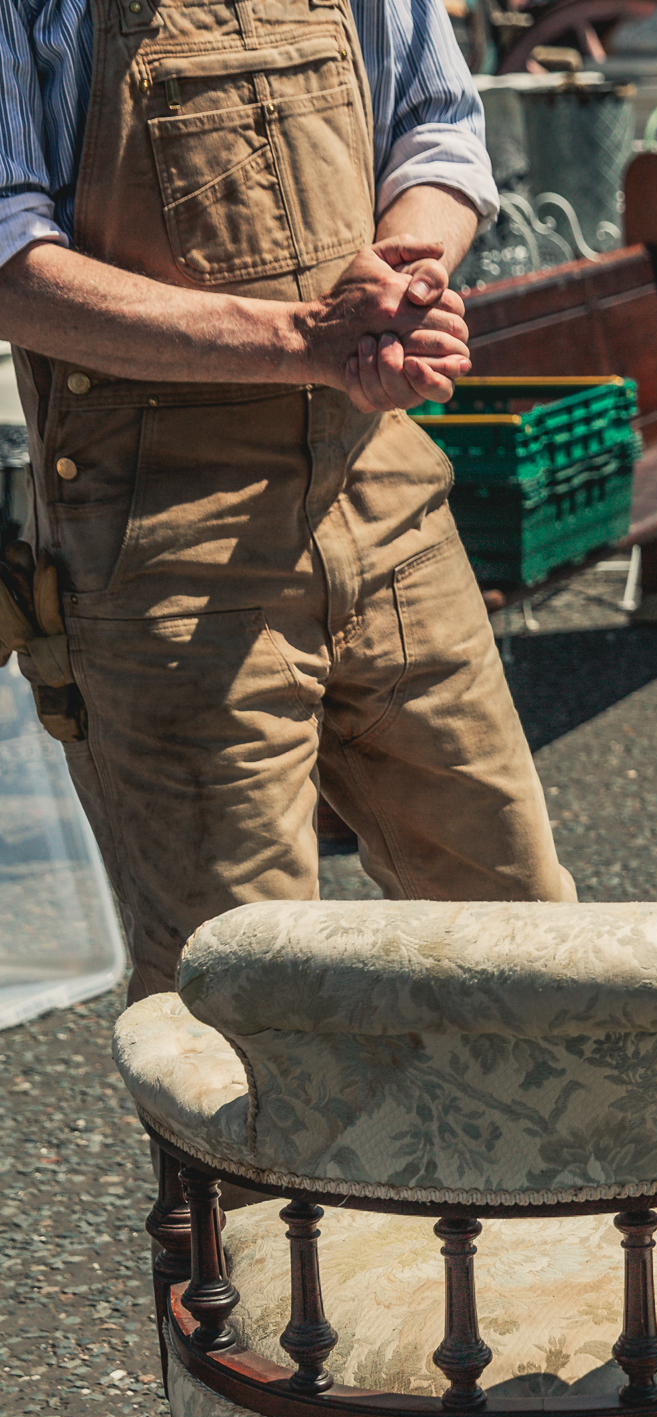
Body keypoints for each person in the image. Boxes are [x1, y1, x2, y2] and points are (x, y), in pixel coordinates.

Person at [0, 0, 575, 1002]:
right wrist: (304, 339)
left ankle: (566, 1162)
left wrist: (408, 275)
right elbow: (9, 265)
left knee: (525, 932)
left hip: (382, 490)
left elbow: (437, 129)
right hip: (166, 545)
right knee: (244, 989)